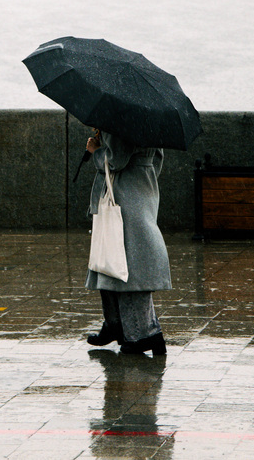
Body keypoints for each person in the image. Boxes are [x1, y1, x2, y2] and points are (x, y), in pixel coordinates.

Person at [85, 130, 170, 355]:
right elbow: (158, 159)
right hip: (144, 187)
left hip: (124, 192)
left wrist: (96, 151)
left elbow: (116, 160)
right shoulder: (148, 119)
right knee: (122, 258)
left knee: (122, 261)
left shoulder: (118, 121)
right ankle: (118, 325)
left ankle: (141, 333)